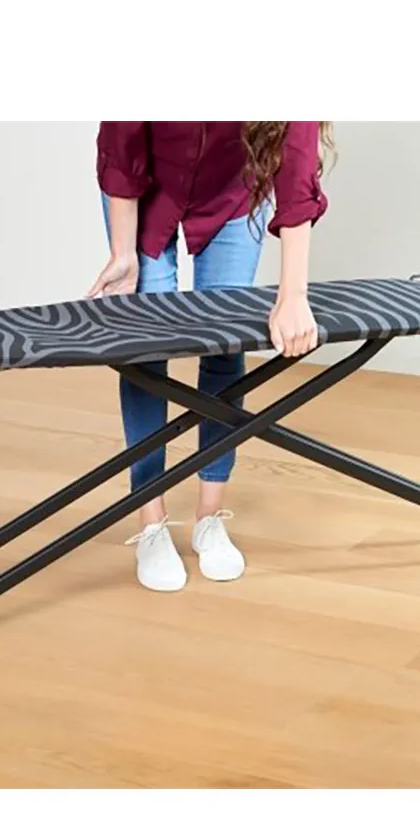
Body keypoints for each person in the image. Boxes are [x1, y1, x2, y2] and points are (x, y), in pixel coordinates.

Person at [89, 121, 333, 592]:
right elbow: (122, 138)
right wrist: (123, 253)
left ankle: (209, 516)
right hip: (147, 181)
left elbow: (297, 159)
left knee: (225, 344)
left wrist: (293, 295)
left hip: (234, 185)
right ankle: (151, 521)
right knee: (147, 348)